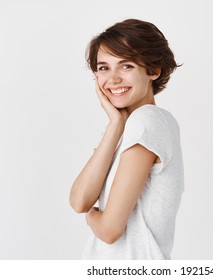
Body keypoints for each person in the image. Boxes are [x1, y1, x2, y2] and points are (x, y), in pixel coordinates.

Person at [69, 19, 184, 259]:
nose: (112, 79)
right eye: (103, 68)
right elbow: (80, 200)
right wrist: (114, 124)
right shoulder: (129, 127)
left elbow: (110, 230)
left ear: (153, 70)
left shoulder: (147, 121)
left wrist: (92, 215)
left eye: (126, 66)